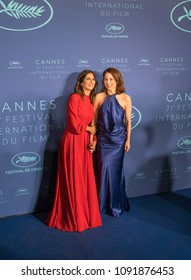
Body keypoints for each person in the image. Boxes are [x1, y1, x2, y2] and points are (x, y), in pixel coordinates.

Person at [46, 70, 102, 232]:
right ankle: (73, 217)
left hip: (85, 142)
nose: (91, 82)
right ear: (81, 82)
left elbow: (93, 125)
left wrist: (94, 141)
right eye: (88, 79)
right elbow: (74, 124)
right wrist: (90, 130)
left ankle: (86, 215)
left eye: (93, 80)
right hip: (72, 141)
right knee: (74, 178)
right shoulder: (74, 98)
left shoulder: (91, 101)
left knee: (84, 178)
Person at [93, 67, 132, 217]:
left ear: (117, 80)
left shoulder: (126, 98)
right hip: (103, 140)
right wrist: (93, 139)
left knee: (115, 173)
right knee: (104, 169)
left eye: (111, 79)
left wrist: (128, 140)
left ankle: (116, 204)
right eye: (106, 79)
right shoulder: (98, 97)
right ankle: (102, 204)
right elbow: (93, 121)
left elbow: (128, 121)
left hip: (119, 140)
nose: (108, 82)